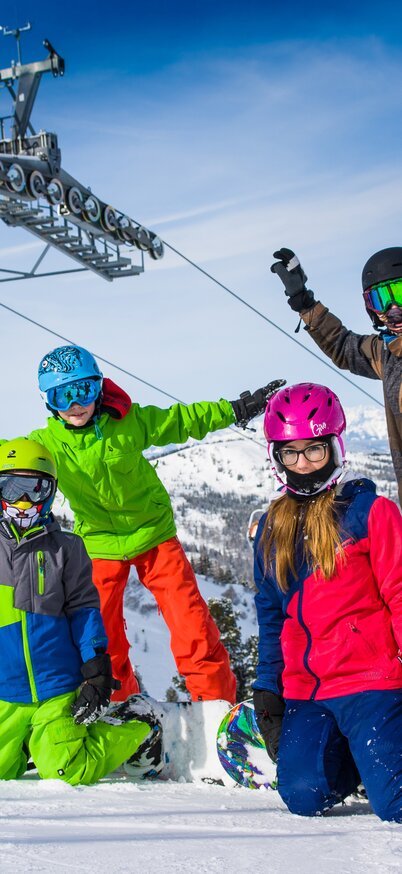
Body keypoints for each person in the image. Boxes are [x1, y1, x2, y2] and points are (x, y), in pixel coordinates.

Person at [28, 343, 285, 702]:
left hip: (153, 535)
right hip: (98, 545)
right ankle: (121, 707)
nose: (75, 405)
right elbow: (14, 463)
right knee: (100, 636)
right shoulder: (45, 445)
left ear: (99, 387)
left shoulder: (128, 422)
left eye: (83, 390)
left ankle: (214, 707)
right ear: (48, 402)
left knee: (191, 623)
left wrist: (235, 409)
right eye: (62, 396)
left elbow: (181, 421)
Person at [252, 382, 402, 822]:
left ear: (334, 447)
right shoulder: (270, 529)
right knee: (302, 796)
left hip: (371, 680)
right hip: (308, 688)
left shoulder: (370, 512)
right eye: (290, 453)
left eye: (314, 450)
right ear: (276, 456)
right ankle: (360, 758)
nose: (303, 464)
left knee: (395, 806)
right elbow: (270, 616)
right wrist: (268, 688)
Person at [0, 437, 159, 785]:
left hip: (55, 687)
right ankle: (32, 743)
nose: (24, 501)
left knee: (65, 772)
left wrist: (96, 667)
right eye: (12, 488)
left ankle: (139, 729)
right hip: (4, 691)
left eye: (36, 489)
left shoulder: (65, 548)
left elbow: (84, 610)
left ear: (51, 492)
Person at [270, 246, 402, 504]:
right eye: (380, 299)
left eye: (399, 292)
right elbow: (343, 346)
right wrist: (304, 302)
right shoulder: (388, 354)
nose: (393, 309)